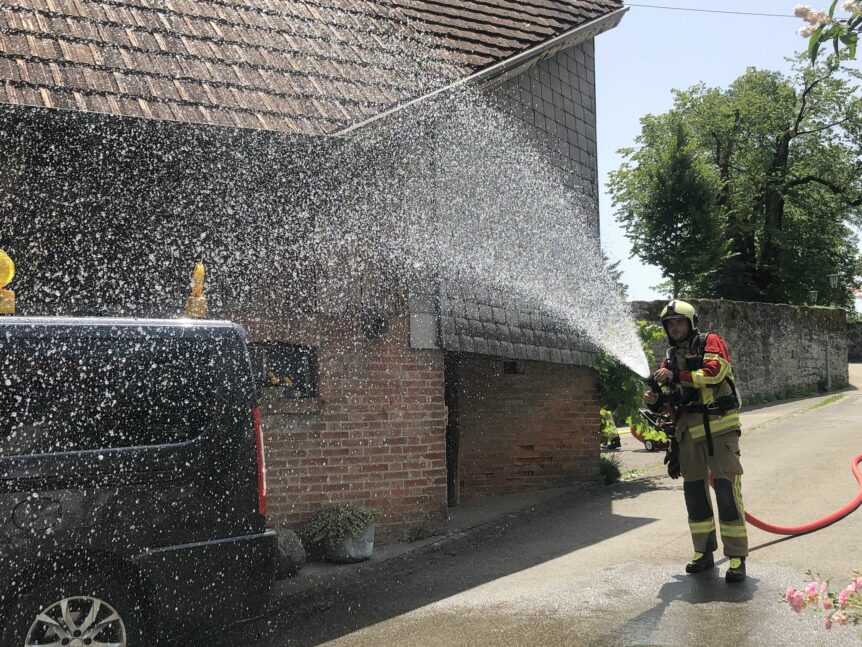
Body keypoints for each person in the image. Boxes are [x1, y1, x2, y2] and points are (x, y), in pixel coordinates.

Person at [643, 299, 748, 583]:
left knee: (726, 491)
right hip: (688, 435)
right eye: (670, 324)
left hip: (719, 430)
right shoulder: (669, 357)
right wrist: (655, 400)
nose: (674, 327)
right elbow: (669, 397)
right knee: (695, 496)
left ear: (691, 323)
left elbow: (714, 373)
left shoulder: (711, 342)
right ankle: (703, 552)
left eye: (679, 322)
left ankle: (737, 556)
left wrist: (676, 375)